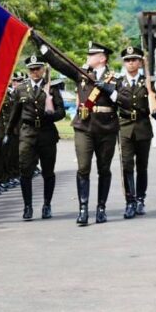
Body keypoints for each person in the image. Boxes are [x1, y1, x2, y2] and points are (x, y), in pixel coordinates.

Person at [33, 36, 119, 225]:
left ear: (102, 58)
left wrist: (110, 90)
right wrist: (41, 46)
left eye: (92, 54)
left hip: (106, 128)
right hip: (84, 127)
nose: (88, 57)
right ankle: (83, 209)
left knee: (104, 169)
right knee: (83, 168)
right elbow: (59, 63)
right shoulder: (81, 74)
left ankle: (101, 208)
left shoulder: (114, 78)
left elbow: (125, 102)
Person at [5, 55, 65, 220]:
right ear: (28, 71)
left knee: (48, 172)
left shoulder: (51, 88)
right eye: (32, 69)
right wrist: (8, 133)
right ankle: (28, 206)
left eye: (38, 68)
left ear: (43, 69)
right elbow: (15, 114)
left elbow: (62, 112)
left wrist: (50, 114)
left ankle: (47, 205)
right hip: (28, 133)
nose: (35, 72)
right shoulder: (21, 89)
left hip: (46, 133)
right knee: (25, 171)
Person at [115, 46, 156, 218]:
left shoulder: (147, 83)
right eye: (127, 60)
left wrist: (155, 111)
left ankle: (140, 198)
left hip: (142, 128)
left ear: (140, 63)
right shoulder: (118, 83)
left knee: (142, 167)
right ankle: (130, 202)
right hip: (125, 128)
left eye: (134, 59)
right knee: (127, 166)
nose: (130, 62)